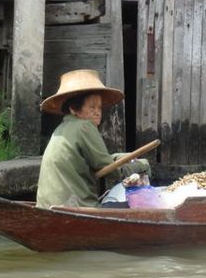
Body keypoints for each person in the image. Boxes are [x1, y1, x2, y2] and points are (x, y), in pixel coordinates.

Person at [36, 69, 149, 209]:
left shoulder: (63, 128)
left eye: (100, 108)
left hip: (45, 206)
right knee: (141, 206)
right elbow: (111, 171)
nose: (97, 112)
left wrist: (127, 158)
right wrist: (142, 165)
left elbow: (100, 160)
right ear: (73, 108)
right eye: (92, 107)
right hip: (75, 206)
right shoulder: (85, 127)